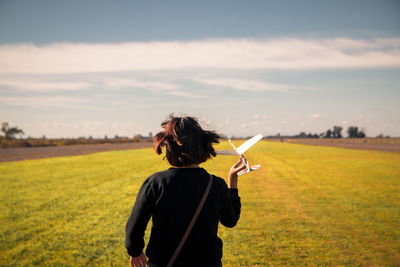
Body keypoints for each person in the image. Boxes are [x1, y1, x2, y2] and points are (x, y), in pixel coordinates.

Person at [125, 115, 246, 267]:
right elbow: (230, 220)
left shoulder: (155, 183)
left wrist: (135, 251)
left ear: (168, 148)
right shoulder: (216, 185)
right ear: (202, 146)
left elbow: (135, 225)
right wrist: (232, 180)